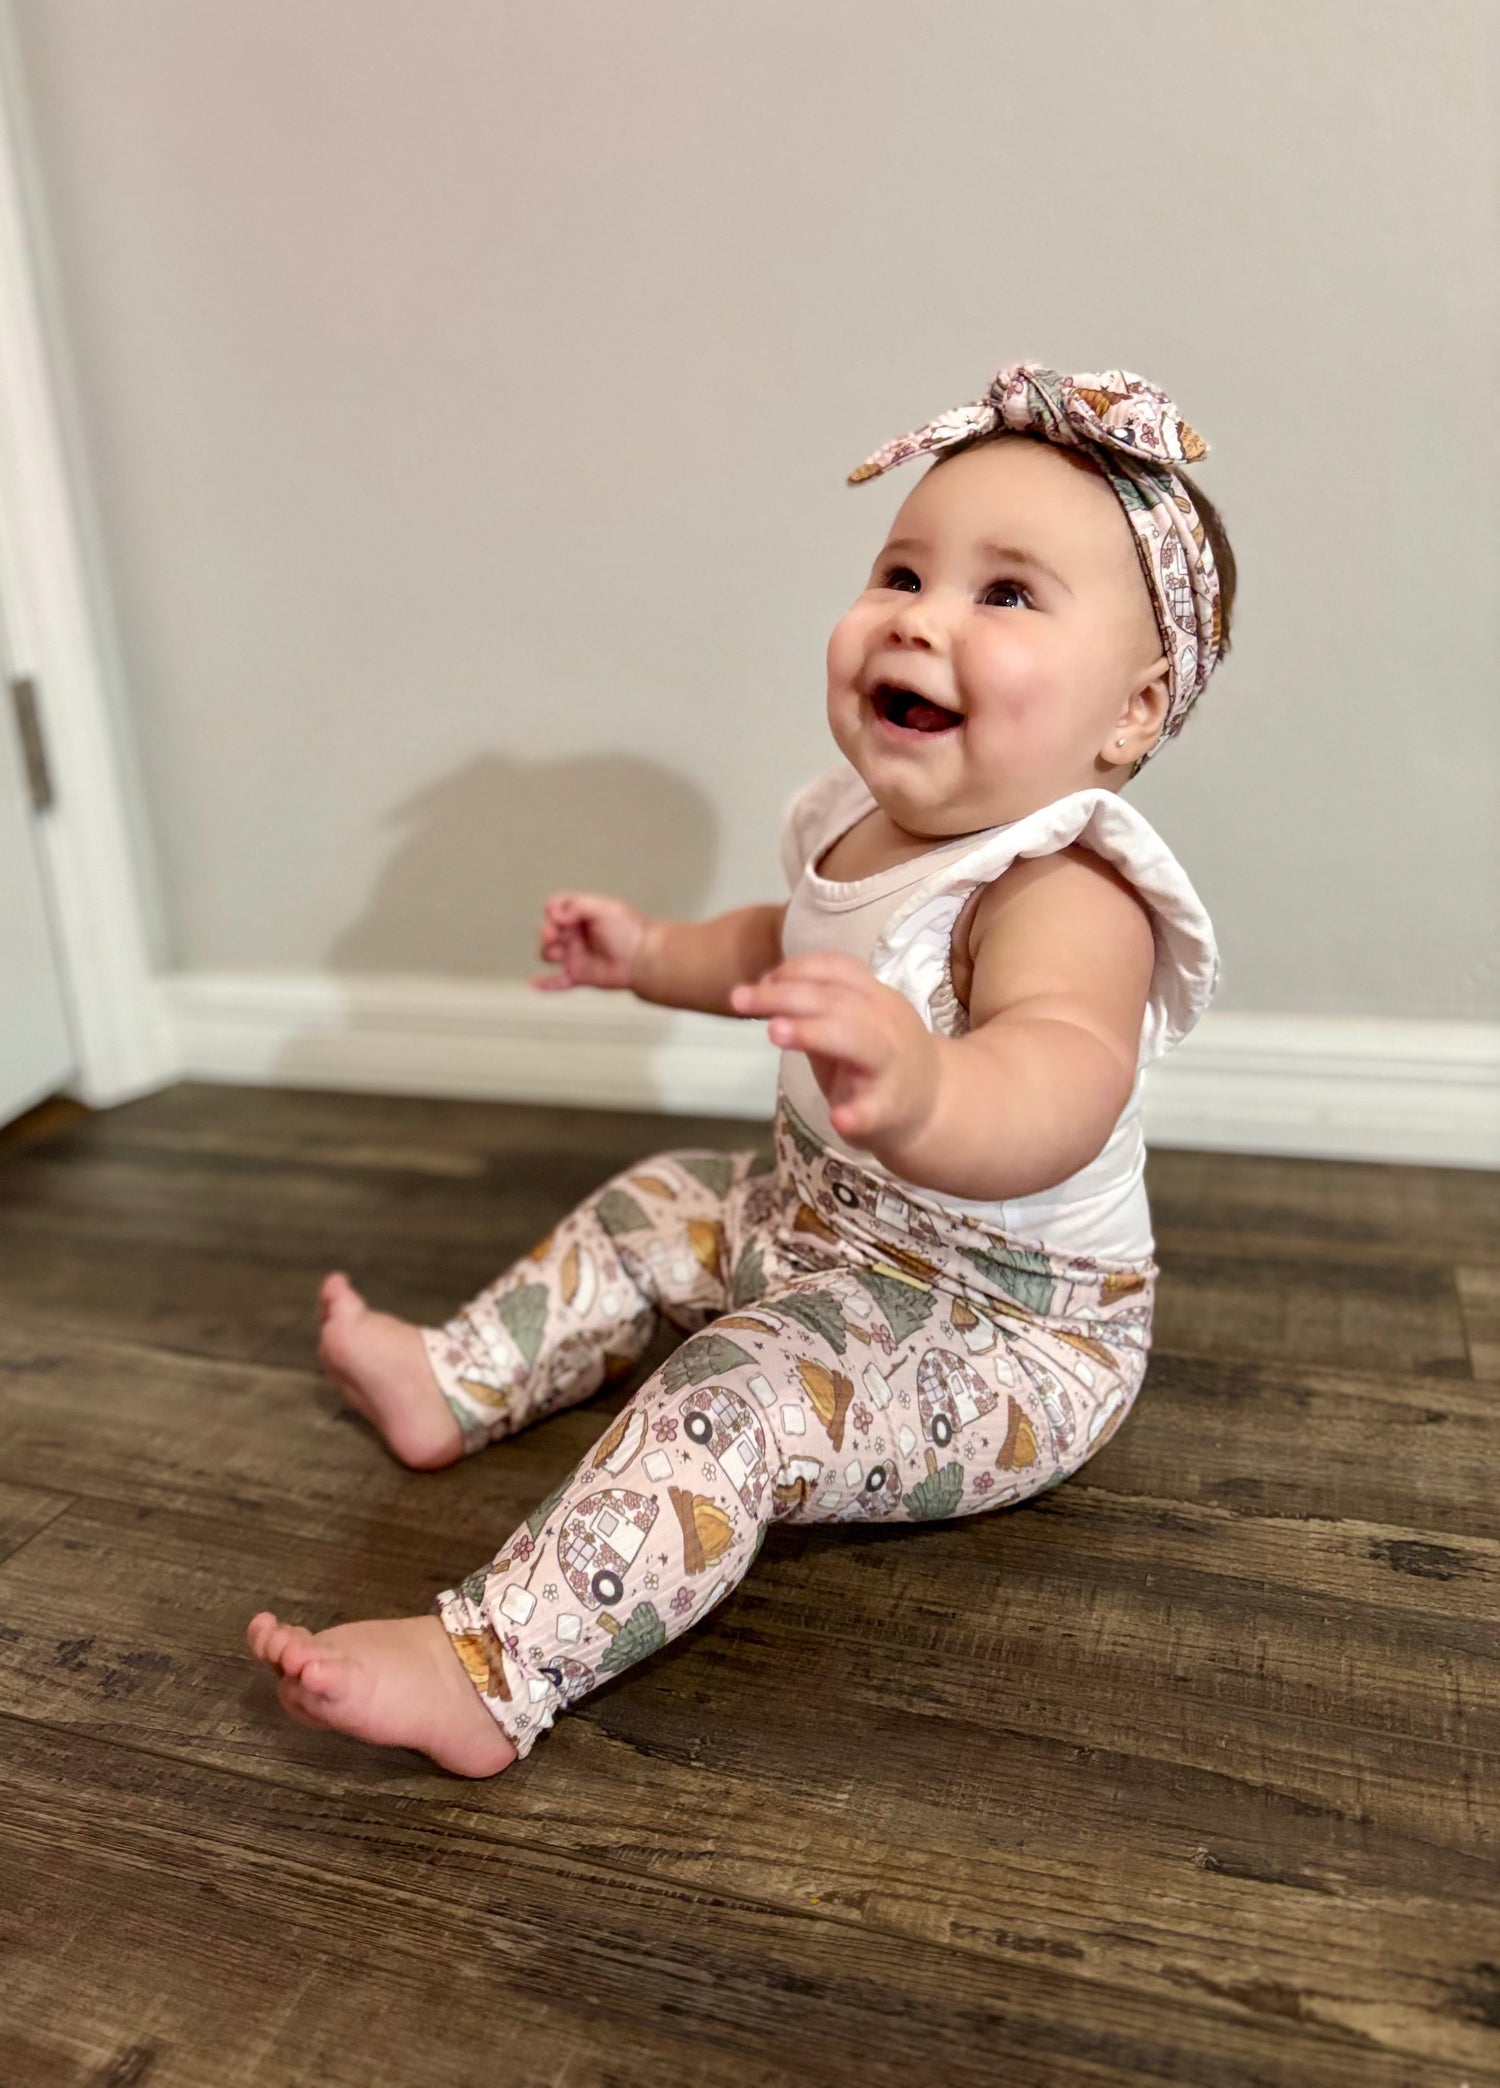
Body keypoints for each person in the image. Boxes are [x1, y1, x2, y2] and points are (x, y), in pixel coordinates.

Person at [246, 361, 1237, 1777]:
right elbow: (779, 943)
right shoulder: (863, 825)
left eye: (1005, 595)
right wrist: (649, 952)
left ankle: (497, 1665)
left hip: (1009, 1332)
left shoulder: (1067, 888)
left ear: (1130, 713)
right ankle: (458, 1377)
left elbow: (1064, 1075)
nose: (920, 615)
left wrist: (933, 1092)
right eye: (903, 569)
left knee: (742, 1390)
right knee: (658, 1201)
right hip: (825, 1227)